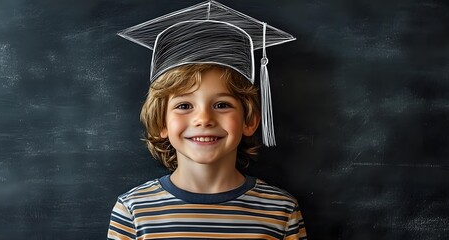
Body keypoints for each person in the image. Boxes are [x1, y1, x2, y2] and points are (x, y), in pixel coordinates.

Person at [108, 1, 306, 239]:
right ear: (161, 122)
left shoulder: (280, 211)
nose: (203, 119)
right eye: (184, 105)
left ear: (250, 120)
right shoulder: (133, 211)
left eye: (222, 105)